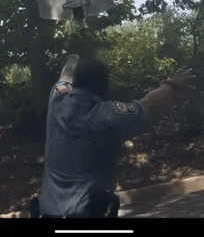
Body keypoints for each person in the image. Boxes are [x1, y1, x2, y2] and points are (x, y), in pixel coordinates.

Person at [37, 55, 197, 218]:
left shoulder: (56, 99)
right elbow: (145, 103)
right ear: (103, 85)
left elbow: (65, 77)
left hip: (49, 213)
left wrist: (73, 59)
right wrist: (172, 85)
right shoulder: (108, 113)